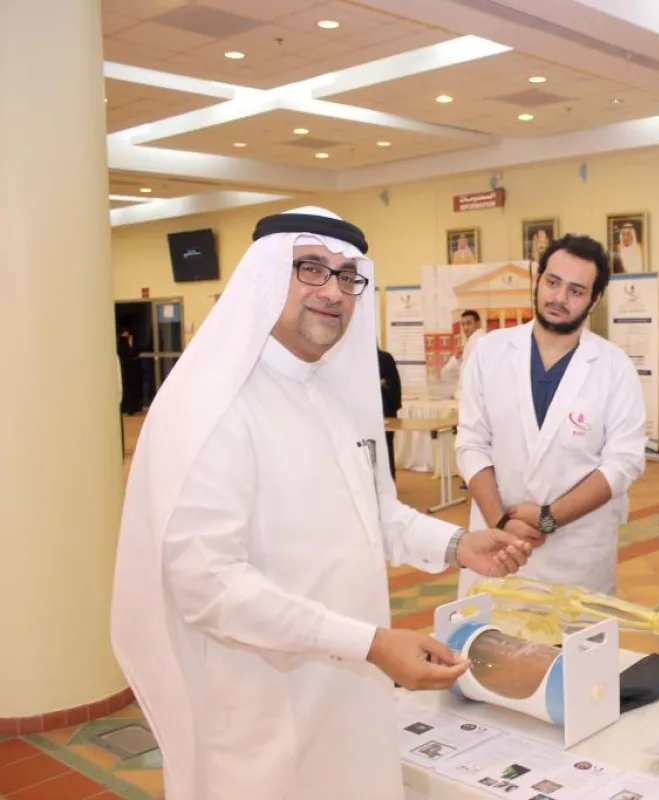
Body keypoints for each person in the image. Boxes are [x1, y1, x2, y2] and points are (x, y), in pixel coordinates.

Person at [110, 207, 534, 800]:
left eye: (346, 275)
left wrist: (459, 545)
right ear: (265, 277)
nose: (332, 291)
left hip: (353, 691)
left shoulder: (331, 393)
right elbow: (208, 585)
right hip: (266, 711)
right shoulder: (214, 406)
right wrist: (371, 643)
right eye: (310, 268)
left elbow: (372, 511)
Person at [456, 234, 647, 596]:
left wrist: (549, 518)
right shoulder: (489, 352)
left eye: (576, 291)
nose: (559, 298)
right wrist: (501, 522)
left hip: (576, 553)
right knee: (490, 630)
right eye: (553, 282)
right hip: (497, 545)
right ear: (538, 279)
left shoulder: (614, 367)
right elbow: (471, 444)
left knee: (574, 631)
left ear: (595, 299)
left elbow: (623, 462)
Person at [378, 344, 401, 481]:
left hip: (386, 411)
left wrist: (379, 384)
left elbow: (393, 385)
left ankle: (389, 482)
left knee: (386, 448)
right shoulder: (358, 360)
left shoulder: (384, 358)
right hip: (368, 413)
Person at [454, 309, 484, 401]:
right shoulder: (473, 341)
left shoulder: (477, 340)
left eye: (469, 323)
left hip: (471, 396)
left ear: (478, 323)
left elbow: (469, 373)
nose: (465, 328)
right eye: (463, 325)